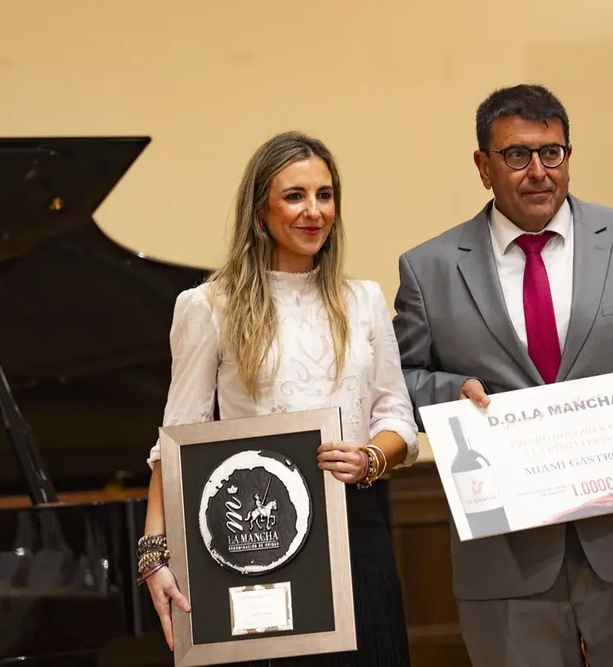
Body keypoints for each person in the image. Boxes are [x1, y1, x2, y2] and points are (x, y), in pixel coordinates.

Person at [392, 84, 613, 666]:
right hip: (506, 562)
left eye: (553, 153)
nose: (538, 171)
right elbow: (401, 379)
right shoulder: (429, 269)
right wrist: (451, 392)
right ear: (482, 167)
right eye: (517, 155)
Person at [139, 131, 418, 666]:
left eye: (325, 194)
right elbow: (176, 439)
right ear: (260, 212)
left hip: (356, 527)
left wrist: (371, 457)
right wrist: (155, 553)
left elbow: (397, 418)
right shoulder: (207, 306)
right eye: (295, 196)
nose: (314, 211)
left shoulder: (364, 299)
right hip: (255, 533)